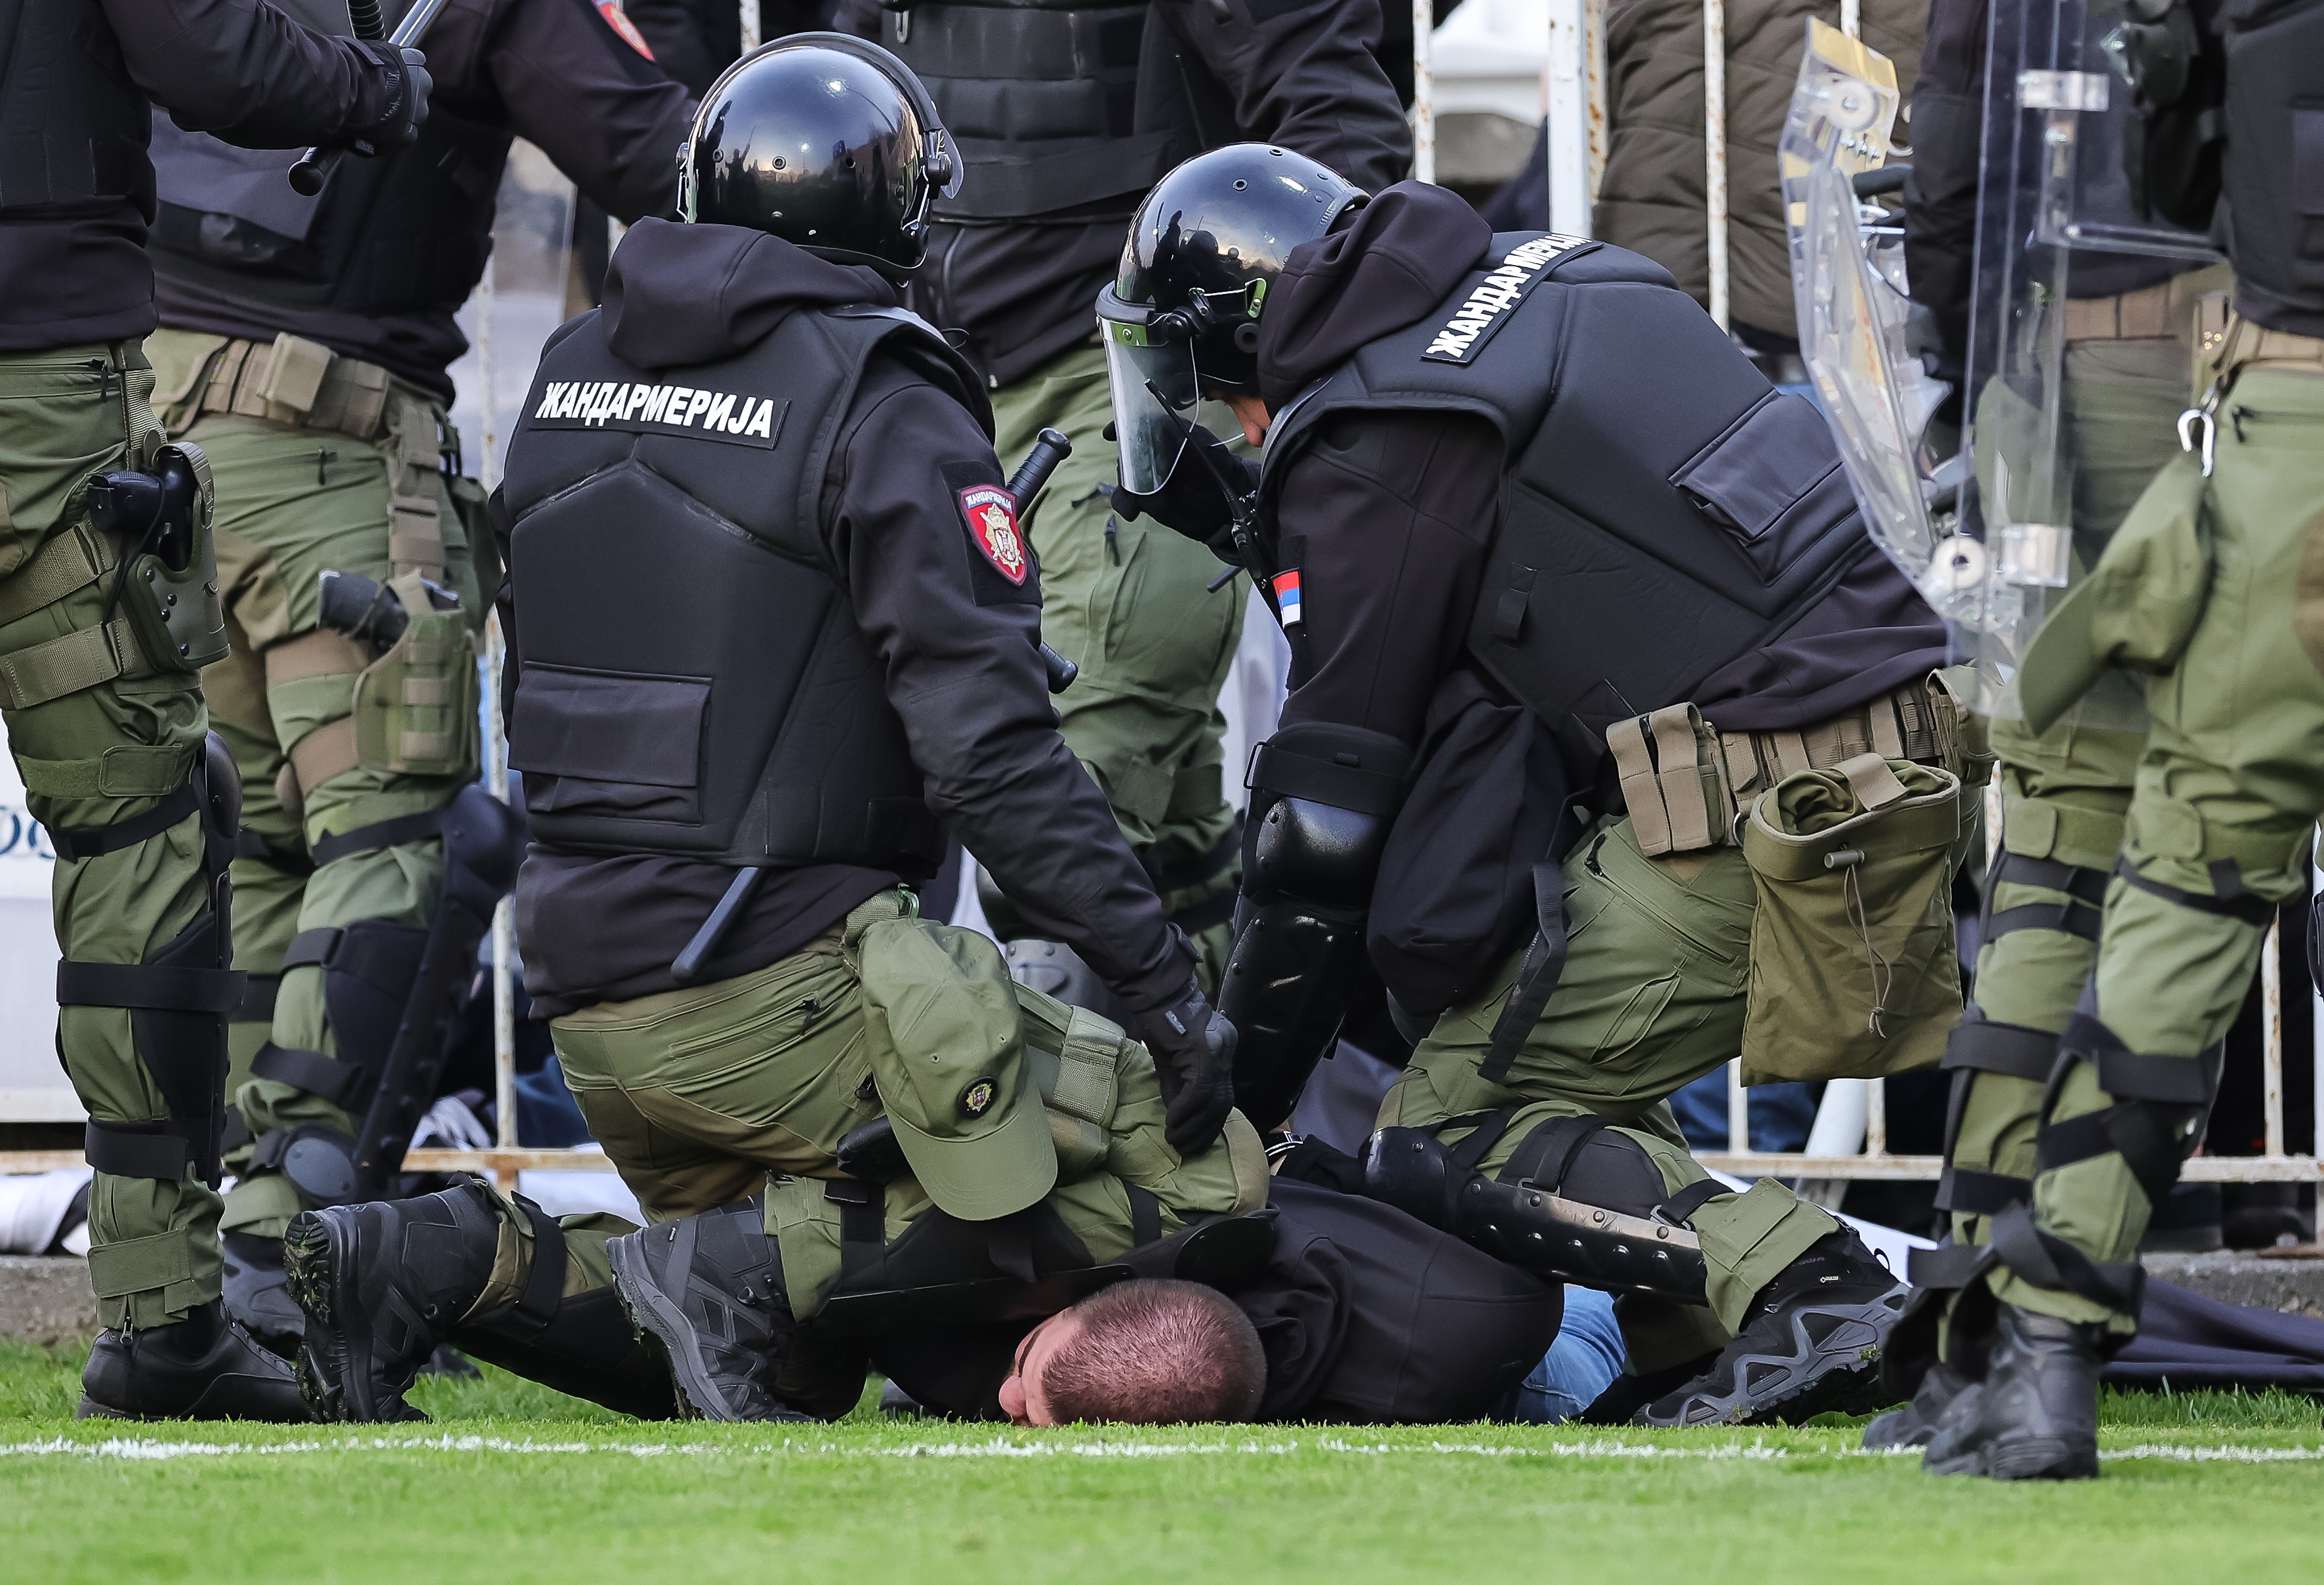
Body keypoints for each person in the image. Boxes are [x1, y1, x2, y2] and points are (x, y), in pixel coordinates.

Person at [1101, 144, 1981, 1426]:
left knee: (1449, 1120)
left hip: (1774, 794)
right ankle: (1695, 1340)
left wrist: (1235, 1093)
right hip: (1889, 742)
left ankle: (1810, 1287)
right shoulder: (1563, 273)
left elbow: (1326, 819)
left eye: (1207, 396)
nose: (1228, 433)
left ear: (1233, 353)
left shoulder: (1366, 433)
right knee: (1551, 1056)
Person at [493, 37, 1231, 1247]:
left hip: (588, 1007)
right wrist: (1168, 992)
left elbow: (547, 686)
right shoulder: (884, 396)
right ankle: (711, 1271)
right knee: (1212, 1185)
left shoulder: (568, 373)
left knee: (856, 1338)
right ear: (891, 212)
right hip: (785, 995)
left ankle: (461, 1261)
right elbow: (992, 760)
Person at [135, 0, 697, 1354]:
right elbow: (659, 157)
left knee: (256, 852)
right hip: (328, 448)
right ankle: (285, 1252)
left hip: (148, 439)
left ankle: (213, 1252)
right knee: (395, 844)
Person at [1883, 0, 2324, 1479]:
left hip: (2142, 357)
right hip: (2218, 361)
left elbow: (1964, 150)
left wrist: (1957, 358)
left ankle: (2002, 1329)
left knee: (2087, 865)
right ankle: (2004, 1324)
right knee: (2155, 874)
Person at [0, 0, 431, 1420]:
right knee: (142, 839)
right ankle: (162, 1318)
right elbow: (214, 56)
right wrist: (379, 81)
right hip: (34, 393)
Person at [834, 0, 1412, 993]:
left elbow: (1333, 126)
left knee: (1061, 821)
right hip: (928, 374)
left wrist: (1273, 365)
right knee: (1164, 840)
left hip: (1143, 375)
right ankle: (1229, 1110)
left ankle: (1085, 1142)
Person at [281, 998, 1560, 1425]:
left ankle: (422, 1259)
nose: (1002, 1406)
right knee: (761, 1306)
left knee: (777, 1361)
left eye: (1022, 1411)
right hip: (831, 1037)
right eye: (1026, 1384)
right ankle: (418, 1255)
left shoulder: (992, 1366)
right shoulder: (1440, 1314)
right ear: (1049, 1326)